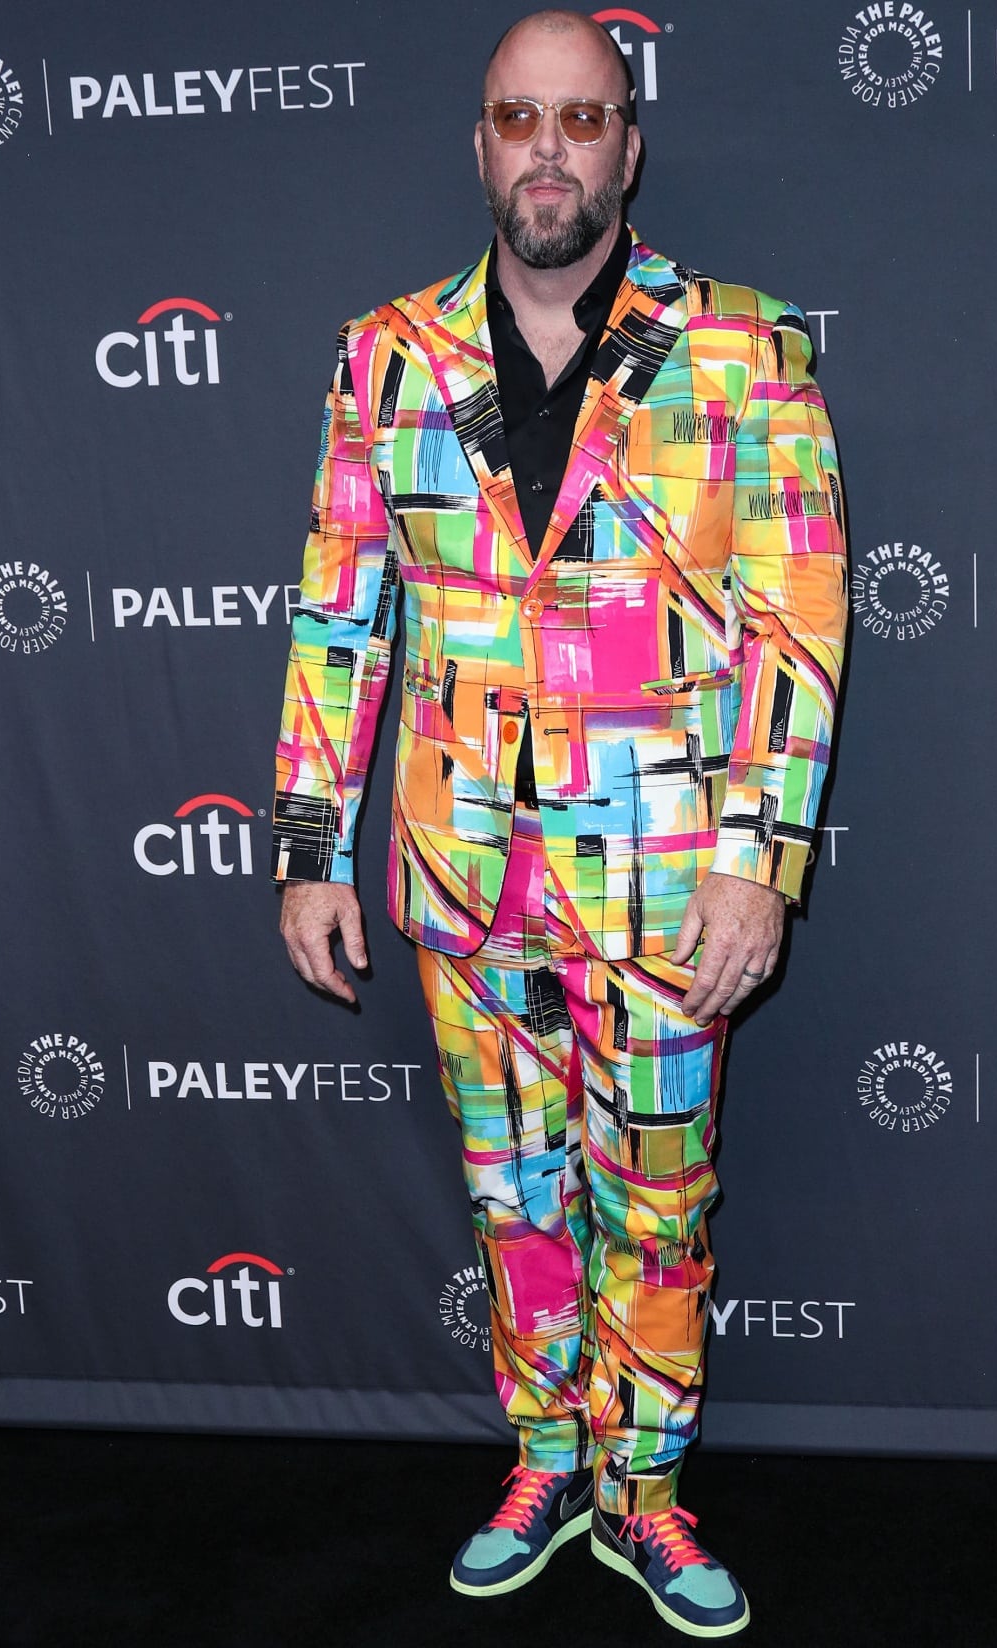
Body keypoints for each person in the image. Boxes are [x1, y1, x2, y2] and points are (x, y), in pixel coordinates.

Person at [273, 10, 847, 1637]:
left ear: (627, 146)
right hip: (466, 876)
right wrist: (310, 848)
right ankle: (544, 1460)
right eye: (519, 118)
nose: (548, 149)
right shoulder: (387, 352)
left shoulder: (742, 348)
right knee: (515, 1192)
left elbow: (799, 620)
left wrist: (762, 860)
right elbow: (339, 615)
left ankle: (647, 1496)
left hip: (667, 885)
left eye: (581, 119)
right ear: (480, 144)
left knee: (660, 1198)